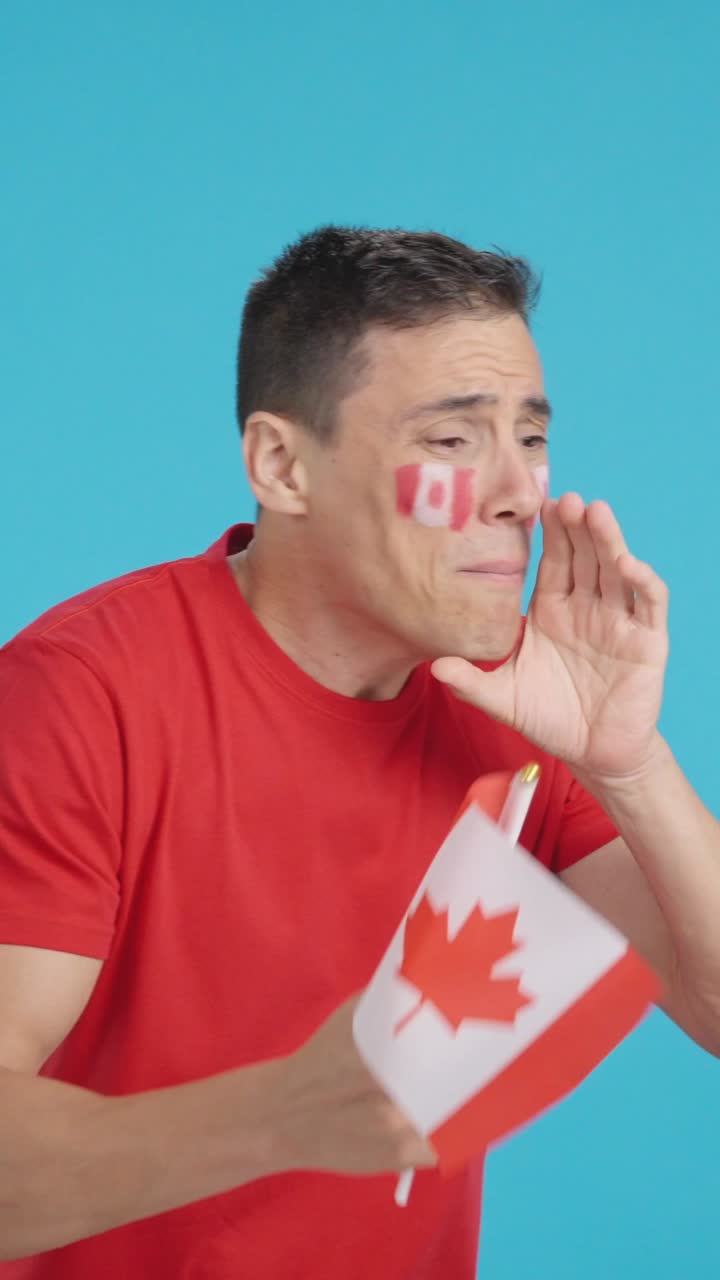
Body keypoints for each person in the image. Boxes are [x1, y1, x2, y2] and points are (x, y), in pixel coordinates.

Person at [0, 226, 718, 1280]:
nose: (517, 490)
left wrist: (630, 762)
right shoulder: (81, 693)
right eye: (453, 441)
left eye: (530, 433)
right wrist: (282, 1114)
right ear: (283, 465)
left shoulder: (515, 706)